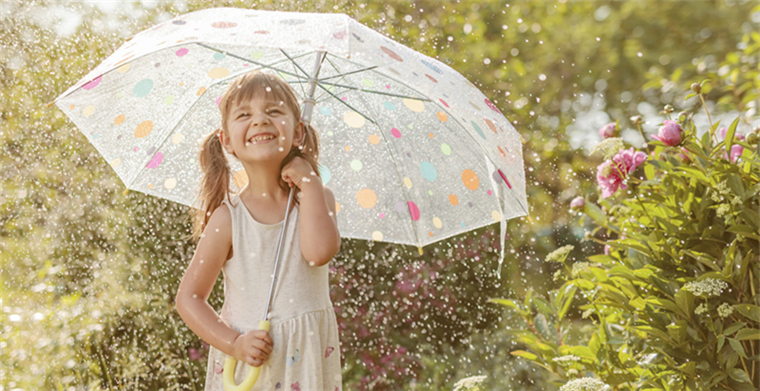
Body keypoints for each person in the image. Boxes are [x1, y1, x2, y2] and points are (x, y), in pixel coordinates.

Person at [175, 70, 342, 391]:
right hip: (251, 365)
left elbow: (319, 253)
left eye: (275, 111)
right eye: (244, 114)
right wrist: (234, 343)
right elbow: (189, 298)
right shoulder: (229, 218)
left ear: (298, 132)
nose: (260, 120)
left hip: (305, 361)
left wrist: (309, 182)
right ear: (226, 141)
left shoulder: (316, 199)